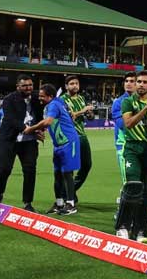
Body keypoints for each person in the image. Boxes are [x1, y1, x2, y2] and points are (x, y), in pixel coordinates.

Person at [115, 70, 147, 243]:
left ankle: (141, 230)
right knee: (133, 186)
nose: (141, 85)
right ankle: (122, 227)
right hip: (133, 148)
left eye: (145, 82)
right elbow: (128, 123)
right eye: (139, 82)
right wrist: (146, 107)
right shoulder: (128, 102)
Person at [24, 84, 80, 216]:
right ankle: (59, 203)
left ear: (50, 96)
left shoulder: (53, 105)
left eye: (42, 96)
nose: (40, 99)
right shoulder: (56, 103)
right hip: (59, 144)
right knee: (57, 174)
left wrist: (30, 129)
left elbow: (48, 121)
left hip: (68, 141)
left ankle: (70, 204)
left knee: (67, 174)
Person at [0, 74, 43, 212]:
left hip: (29, 142)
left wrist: (40, 129)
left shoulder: (36, 98)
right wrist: (27, 129)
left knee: (30, 171)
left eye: (30, 85)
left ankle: (28, 202)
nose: (28, 88)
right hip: (9, 139)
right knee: (4, 169)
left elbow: (40, 116)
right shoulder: (9, 99)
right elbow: (10, 119)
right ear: (18, 87)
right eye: (25, 86)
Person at [60, 75, 94, 203]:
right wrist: (83, 110)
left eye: (76, 83)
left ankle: (70, 191)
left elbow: (88, 118)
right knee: (70, 168)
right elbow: (70, 117)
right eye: (72, 83)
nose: (75, 85)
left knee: (87, 165)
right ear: (66, 86)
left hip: (82, 136)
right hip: (69, 137)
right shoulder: (62, 100)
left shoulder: (81, 98)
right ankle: (69, 195)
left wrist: (89, 113)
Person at [112, 72, 136, 185]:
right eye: (126, 81)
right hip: (124, 145)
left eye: (132, 81)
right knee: (127, 177)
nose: (128, 83)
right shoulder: (118, 103)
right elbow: (124, 124)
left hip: (141, 144)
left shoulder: (143, 101)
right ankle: (126, 198)